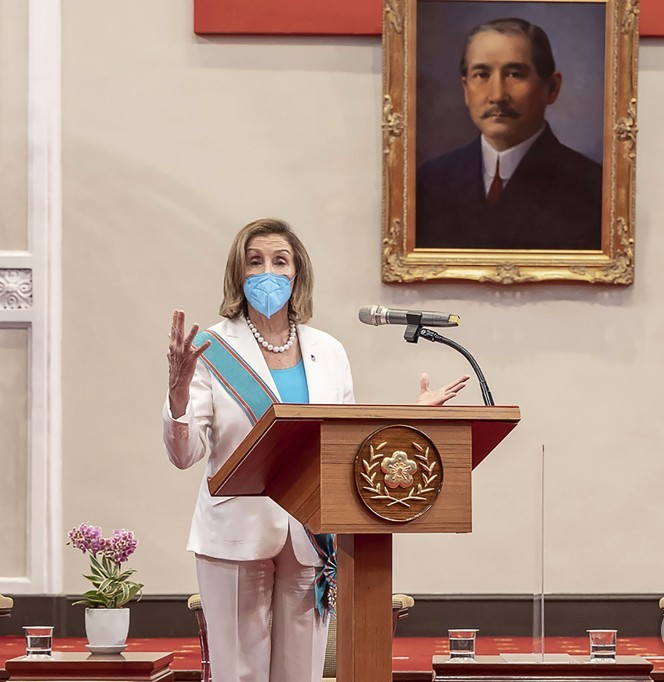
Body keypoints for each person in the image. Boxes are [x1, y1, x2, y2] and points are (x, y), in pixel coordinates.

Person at [162, 218, 468, 682]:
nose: (268, 272)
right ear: (238, 275)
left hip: (310, 531)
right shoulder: (211, 348)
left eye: (280, 261)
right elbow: (185, 456)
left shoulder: (328, 350)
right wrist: (178, 397)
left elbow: (345, 441)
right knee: (238, 671)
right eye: (255, 261)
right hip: (236, 531)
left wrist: (410, 415)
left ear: (297, 274)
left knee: (300, 671)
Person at [416, 17, 603, 251]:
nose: (497, 95)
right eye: (482, 75)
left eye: (515, 74)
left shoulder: (593, 188)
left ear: (552, 88)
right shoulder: (429, 182)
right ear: (465, 89)